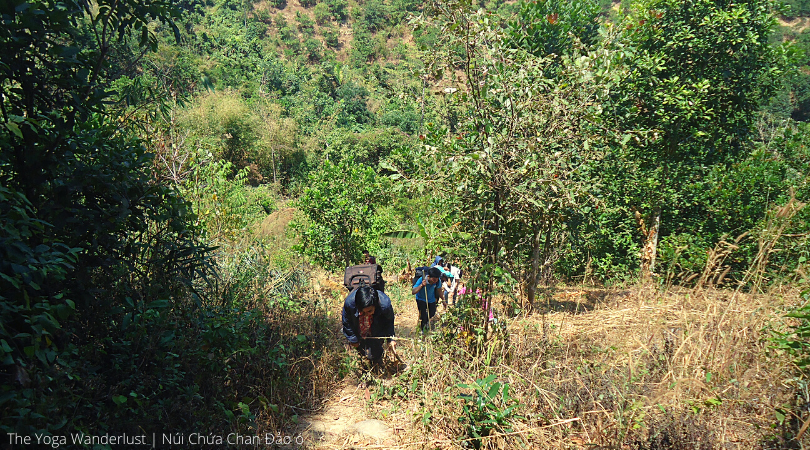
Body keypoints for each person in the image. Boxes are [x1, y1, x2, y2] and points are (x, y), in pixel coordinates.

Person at [342, 285, 396, 366]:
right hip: (359, 330)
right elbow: (347, 322)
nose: (366, 315)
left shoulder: (385, 305)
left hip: (375, 329)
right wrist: (353, 339)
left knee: (375, 352)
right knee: (360, 350)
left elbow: (389, 322)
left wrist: (391, 339)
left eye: (369, 311)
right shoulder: (350, 304)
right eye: (363, 312)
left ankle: (376, 361)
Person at [412, 267, 443, 331]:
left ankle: (425, 322)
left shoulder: (437, 281)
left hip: (431, 299)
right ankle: (423, 329)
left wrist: (444, 300)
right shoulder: (421, 279)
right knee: (423, 314)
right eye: (434, 279)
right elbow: (413, 291)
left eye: (437, 279)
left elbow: (439, 290)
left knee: (432, 312)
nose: (435, 281)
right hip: (421, 299)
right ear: (429, 276)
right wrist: (421, 285)